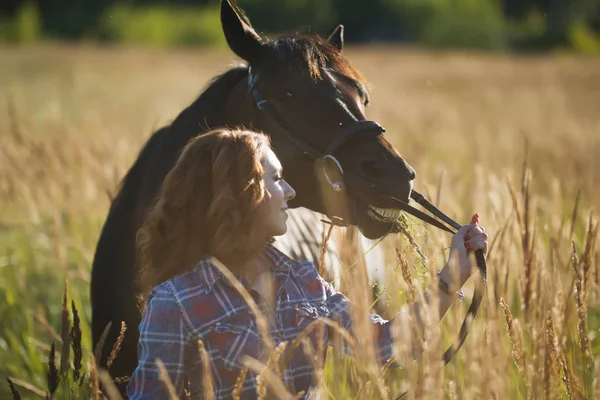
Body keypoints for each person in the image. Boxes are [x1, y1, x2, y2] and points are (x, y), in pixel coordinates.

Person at [126, 128, 488, 400]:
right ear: (240, 191)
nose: (291, 192)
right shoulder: (175, 302)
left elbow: (386, 345)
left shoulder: (303, 280)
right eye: (276, 179)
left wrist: (452, 275)